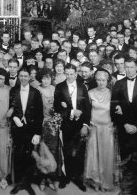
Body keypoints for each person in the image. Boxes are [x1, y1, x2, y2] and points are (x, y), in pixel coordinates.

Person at [54, 64, 91, 192]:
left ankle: (78, 178)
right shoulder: (59, 87)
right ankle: (66, 177)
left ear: (76, 74)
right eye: (67, 74)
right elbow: (56, 109)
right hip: (66, 125)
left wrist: (86, 125)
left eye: (72, 74)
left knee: (80, 153)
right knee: (66, 152)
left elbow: (87, 108)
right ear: (65, 73)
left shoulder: (82, 87)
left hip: (80, 126)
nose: (69, 76)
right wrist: (70, 112)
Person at [9, 66, 43, 195]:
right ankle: (19, 183)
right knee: (18, 155)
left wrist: (37, 133)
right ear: (19, 76)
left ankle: (27, 183)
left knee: (29, 157)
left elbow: (40, 114)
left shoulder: (35, 92)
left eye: (25, 76)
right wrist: (14, 118)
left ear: (29, 77)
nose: (23, 78)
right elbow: (10, 108)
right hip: (18, 128)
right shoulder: (13, 90)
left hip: (31, 129)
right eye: (21, 76)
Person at [85, 69, 120, 191]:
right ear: (96, 80)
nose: (101, 83)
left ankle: (105, 182)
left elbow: (116, 111)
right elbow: (87, 111)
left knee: (106, 156)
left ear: (107, 81)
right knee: (94, 155)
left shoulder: (112, 93)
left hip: (107, 128)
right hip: (94, 127)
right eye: (98, 80)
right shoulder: (90, 93)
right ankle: (96, 181)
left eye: (103, 80)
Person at [111, 57, 137, 194]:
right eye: (126, 67)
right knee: (126, 162)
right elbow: (113, 107)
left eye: (131, 67)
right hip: (124, 129)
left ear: (136, 67)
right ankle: (126, 190)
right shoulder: (118, 84)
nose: (128, 69)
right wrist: (125, 124)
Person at [36, 68, 62, 191]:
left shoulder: (55, 89)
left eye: (47, 78)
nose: (45, 80)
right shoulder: (37, 90)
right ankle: (42, 178)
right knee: (42, 151)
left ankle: (51, 178)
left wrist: (56, 120)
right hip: (41, 124)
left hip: (54, 125)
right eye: (43, 78)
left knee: (53, 151)